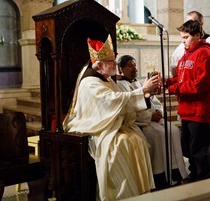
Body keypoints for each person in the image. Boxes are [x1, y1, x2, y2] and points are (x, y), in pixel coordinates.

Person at [63, 36, 160, 200]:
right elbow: (111, 102)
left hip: (109, 124)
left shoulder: (106, 80)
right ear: (100, 65)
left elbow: (119, 101)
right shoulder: (89, 82)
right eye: (111, 61)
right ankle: (119, 195)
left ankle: (138, 192)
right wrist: (141, 91)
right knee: (122, 144)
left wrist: (145, 94)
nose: (116, 64)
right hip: (94, 128)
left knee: (136, 137)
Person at [116, 55, 188, 188]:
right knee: (157, 136)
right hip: (139, 123)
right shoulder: (120, 85)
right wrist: (149, 117)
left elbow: (154, 100)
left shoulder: (139, 83)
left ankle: (175, 171)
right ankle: (158, 176)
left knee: (174, 130)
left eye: (135, 65)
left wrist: (159, 112)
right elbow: (127, 108)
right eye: (130, 66)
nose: (134, 69)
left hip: (154, 119)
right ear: (121, 69)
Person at [170, 10, 210, 161]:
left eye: (192, 24)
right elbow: (177, 68)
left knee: (202, 147)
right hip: (188, 103)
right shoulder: (184, 48)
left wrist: (177, 86)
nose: (184, 40)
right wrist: (170, 81)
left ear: (200, 26)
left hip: (202, 102)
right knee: (192, 146)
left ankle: (205, 175)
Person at [166, 19, 210, 182]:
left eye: (186, 37)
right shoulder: (186, 55)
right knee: (189, 148)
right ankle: (195, 176)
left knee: (200, 150)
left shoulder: (205, 54)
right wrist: (167, 82)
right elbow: (181, 78)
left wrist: (175, 88)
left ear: (197, 35)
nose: (183, 41)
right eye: (182, 38)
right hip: (187, 110)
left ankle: (205, 180)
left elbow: (201, 84)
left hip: (200, 110)